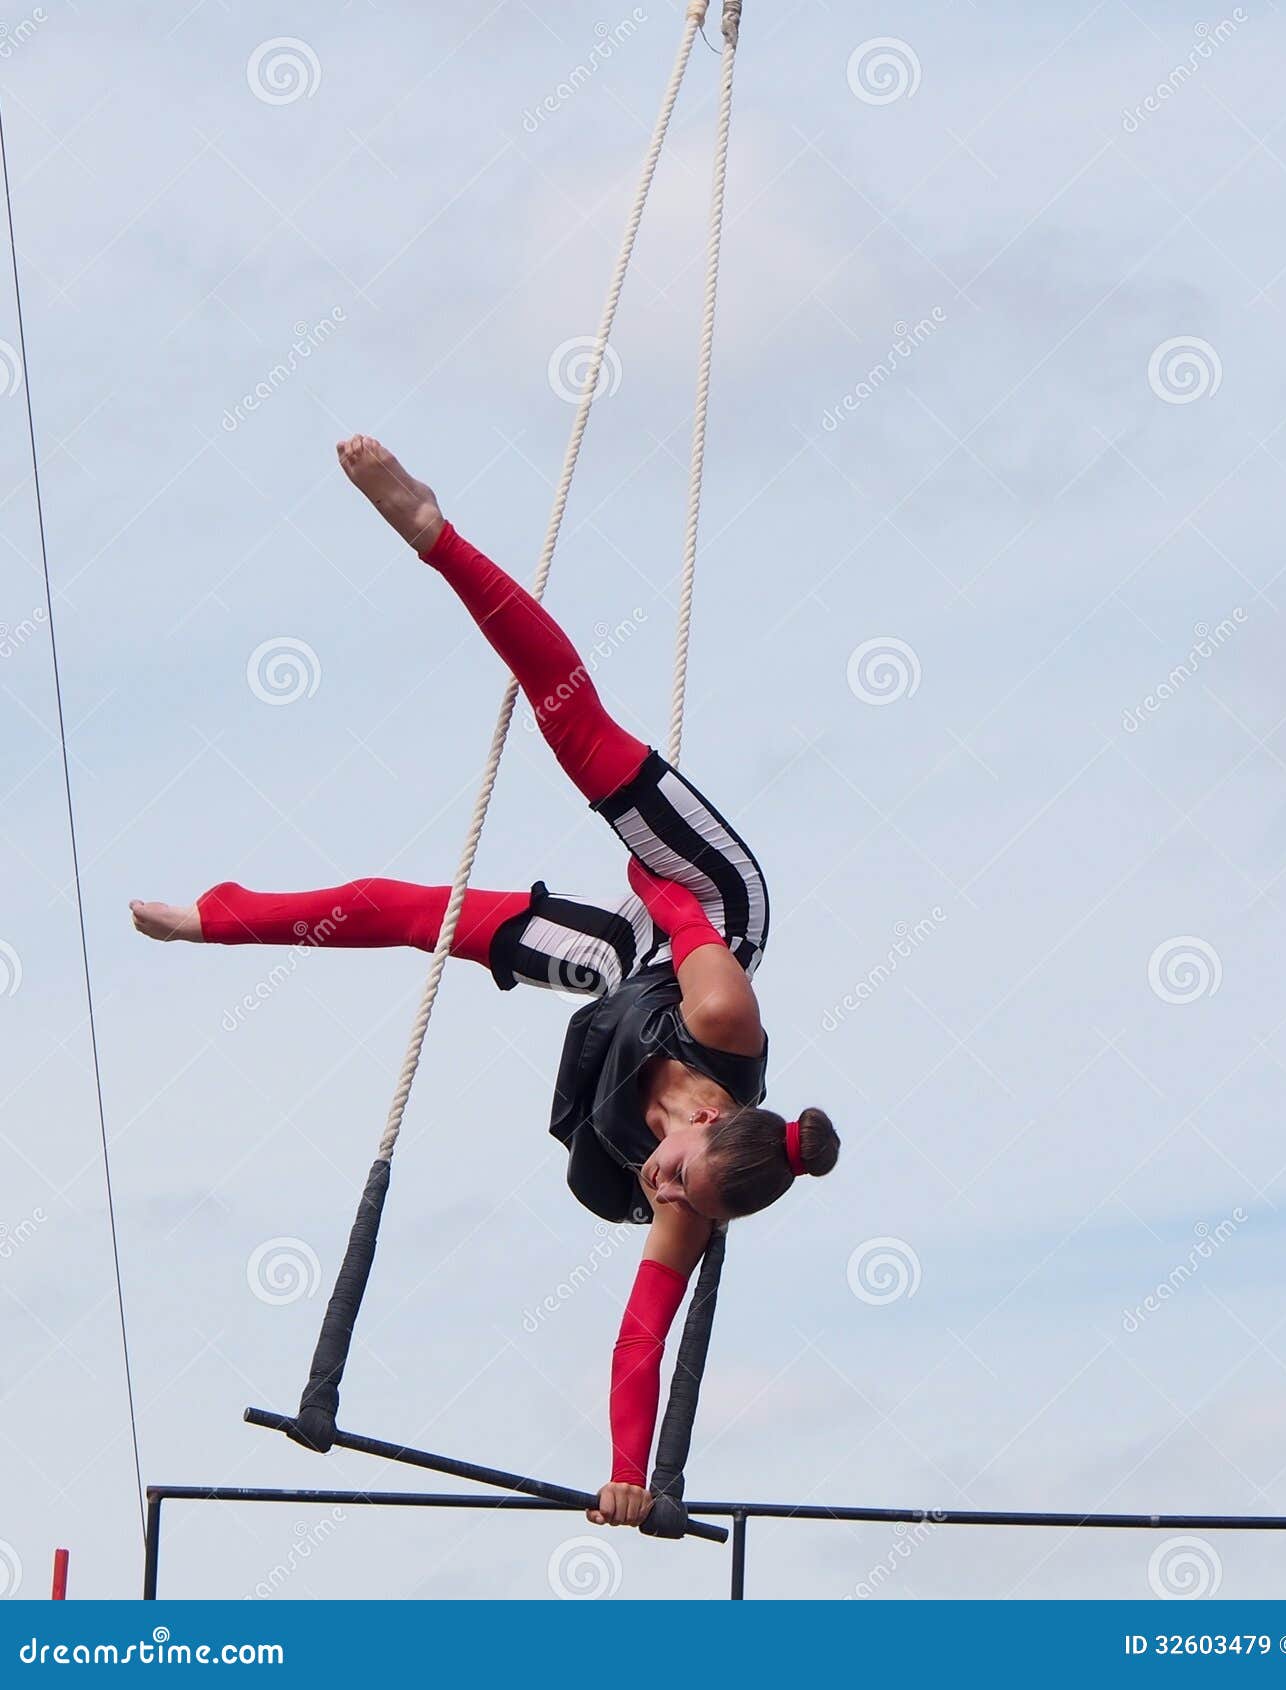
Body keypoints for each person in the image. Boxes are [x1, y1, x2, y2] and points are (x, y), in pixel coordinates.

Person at [131, 436, 841, 1528]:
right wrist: (640, 865)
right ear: (709, 1111)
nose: (660, 1193)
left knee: (428, 917)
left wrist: (626, 1470)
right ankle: (433, 532)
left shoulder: (691, 1201)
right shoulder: (723, 1016)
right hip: (700, 912)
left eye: (675, 1200)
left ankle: (215, 921)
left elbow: (641, 1335)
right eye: (679, 1175)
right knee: (578, 732)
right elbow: (671, 903)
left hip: (622, 993)